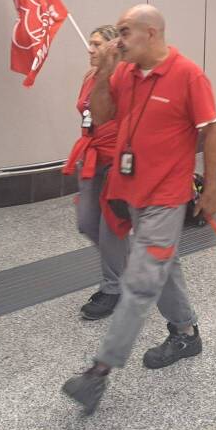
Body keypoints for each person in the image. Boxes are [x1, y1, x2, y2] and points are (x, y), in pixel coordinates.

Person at [62, 5, 216, 415]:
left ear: (151, 33)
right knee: (163, 265)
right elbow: (100, 116)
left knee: (139, 281)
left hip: (166, 199)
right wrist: (103, 71)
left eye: (125, 32)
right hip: (130, 191)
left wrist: (212, 189)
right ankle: (186, 332)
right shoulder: (125, 73)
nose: (118, 40)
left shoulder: (188, 74)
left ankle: (98, 372)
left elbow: (211, 131)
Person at [62, 24, 128, 321]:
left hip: (116, 160)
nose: (89, 49)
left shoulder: (125, 79)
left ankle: (114, 287)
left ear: (113, 47)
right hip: (90, 157)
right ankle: (129, 267)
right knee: (87, 223)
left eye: (97, 44)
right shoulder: (90, 76)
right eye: (89, 43)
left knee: (110, 226)